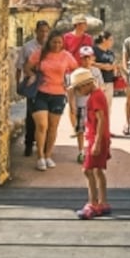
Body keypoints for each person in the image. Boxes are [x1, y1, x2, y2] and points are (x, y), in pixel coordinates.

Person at [24, 29, 77, 171]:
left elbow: (75, 69)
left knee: (53, 127)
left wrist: (70, 81)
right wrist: (32, 75)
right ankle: (40, 157)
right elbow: (27, 67)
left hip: (58, 95)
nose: (57, 45)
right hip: (40, 93)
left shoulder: (66, 56)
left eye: (60, 42)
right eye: (54, 42)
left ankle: (48, 155)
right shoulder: (40, 54)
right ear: (49, 42)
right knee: (42, 126)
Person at [69, 67, 112, 219]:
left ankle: (93, 203)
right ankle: (103, 201)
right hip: (98, 137)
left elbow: (101, 120)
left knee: (87, 170)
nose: (79, 92)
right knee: (98, 170)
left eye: (79, 89)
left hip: (96, 138)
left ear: (87, 85)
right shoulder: (98, 94)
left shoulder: (95, 97)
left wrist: (97, 142)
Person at [15, 19, 51, 156]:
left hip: (48, 82)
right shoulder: (28, 47)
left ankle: (45, 146)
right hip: (32, 83)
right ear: (36, 32)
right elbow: (19, 67)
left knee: (47, 115)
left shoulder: (51, 46)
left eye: (46, 31)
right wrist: (18, 84)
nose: (44, 34)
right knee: (31, 115)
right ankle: (29, 144)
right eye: (41, 31)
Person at [70, 46, 104, 164]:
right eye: (84, 58)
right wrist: (72, 105)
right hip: (81, 104)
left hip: (93, 105)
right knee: (80, 129)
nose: (86, 60)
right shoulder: (76, 73)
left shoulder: (96, 71)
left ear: (92, 58)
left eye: (88, 58)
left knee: (94, 128)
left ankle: (92, 150)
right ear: (80, 59)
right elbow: (71, 90)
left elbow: (101, 87)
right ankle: (81, 151)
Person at [92, 31, 118, 110]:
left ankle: (106, 122)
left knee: (107, 107)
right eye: (110, 39)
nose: (112, 42)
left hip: (109, 82)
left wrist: (115, 68)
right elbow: (90, 63)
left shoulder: (111, 53)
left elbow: (113, 64)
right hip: (97, 82)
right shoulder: (94, 50)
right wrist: (103, 66)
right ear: (104, 40)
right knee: (97, 106)